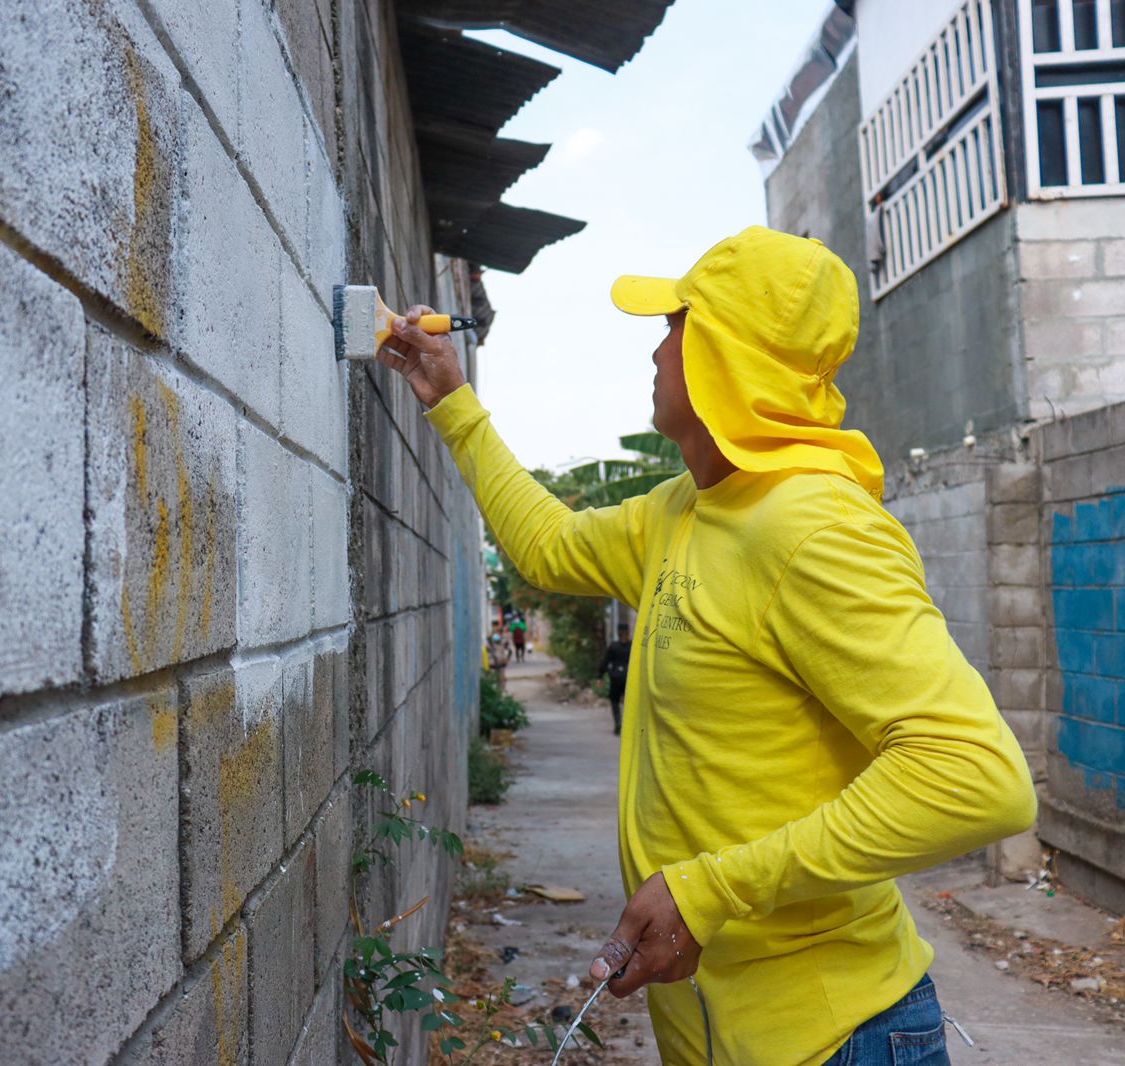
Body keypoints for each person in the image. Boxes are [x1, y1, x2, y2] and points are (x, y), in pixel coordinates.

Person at [374, 226, 1036, 1066]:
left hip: (834, 1038)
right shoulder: (681, 511)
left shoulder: (815, 528)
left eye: (676, 322)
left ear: (724, 350)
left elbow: (978, 779)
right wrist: (448, 399)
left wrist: (711, 888)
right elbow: (547, 544)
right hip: (721, 1036)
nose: (657, 348)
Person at [598, 622, 632, 734]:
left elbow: (605, 662)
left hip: (616, 678)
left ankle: (618, 723)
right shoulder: (632, 645)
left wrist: (600, 676)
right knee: (629, 703)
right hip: (628, 678)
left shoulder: (613, 646)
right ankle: (628, 726)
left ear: (618, 633)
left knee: (615, 702)